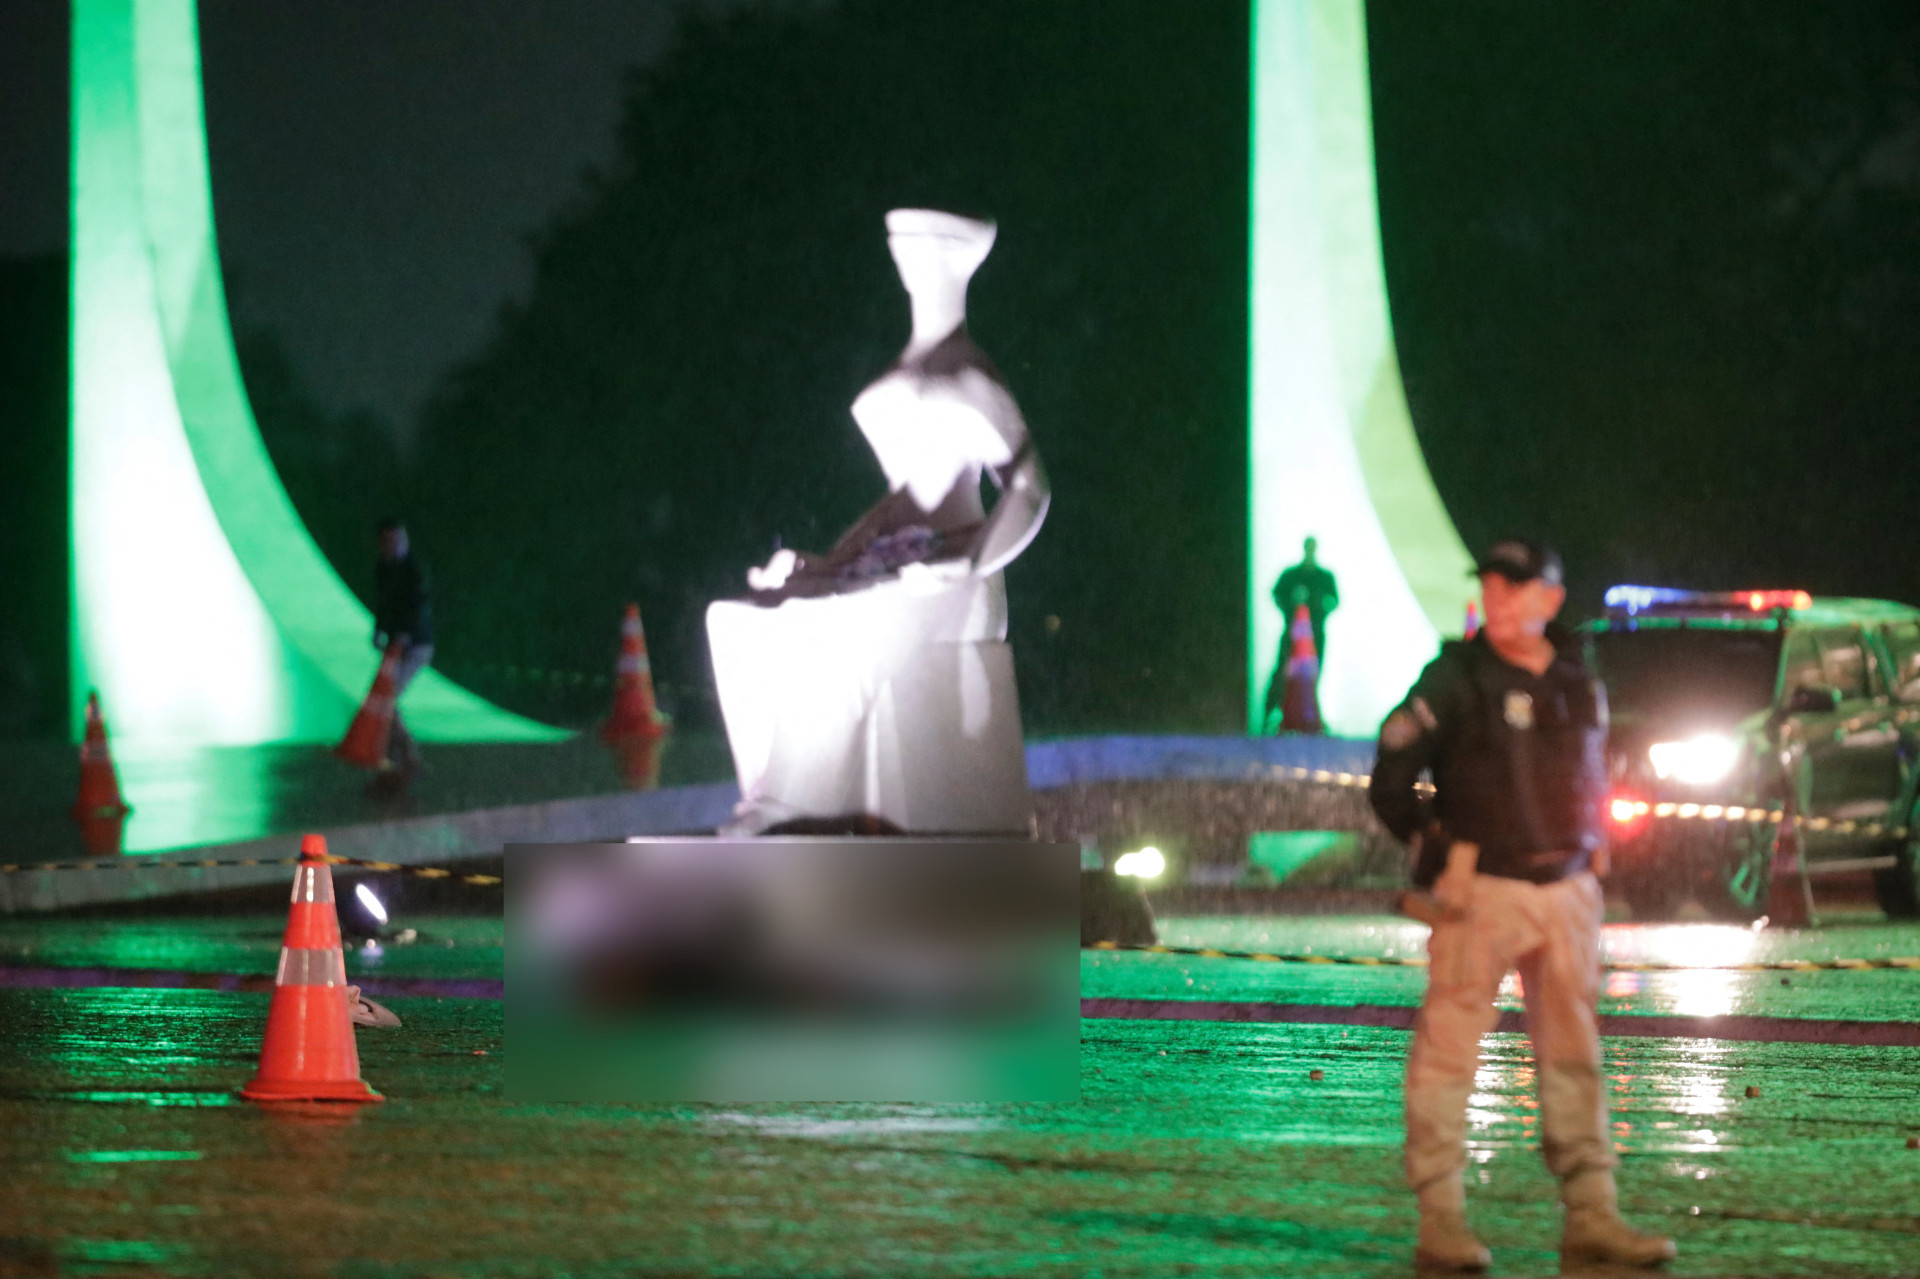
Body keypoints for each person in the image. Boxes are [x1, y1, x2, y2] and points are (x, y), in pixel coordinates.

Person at [1369, 539, 1676, 1273]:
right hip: (1485, 890)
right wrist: (1433, 841)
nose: (1501, 600)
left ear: (1550, 598)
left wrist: (1596, 842)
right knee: (1449, 1055)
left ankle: (1593, 1213)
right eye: (1493, 586)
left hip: (1570, 888)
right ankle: (1441, 1219)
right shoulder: (1456, 676)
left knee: (1576, 1055)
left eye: (1517, 587)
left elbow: (1596, 770)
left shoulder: (1577, 676)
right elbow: (1393, 770)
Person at [705, 208, 1048, 835]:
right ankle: (773, 795)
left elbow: (1030, 488)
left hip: (953, 576)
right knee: (738, 622)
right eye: (902, 250)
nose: (907, 261)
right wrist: (822, 564)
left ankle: (792, 809)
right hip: (893, 562)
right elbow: (897, 503)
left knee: (838, 630)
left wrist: (966, 563)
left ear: (955, 261)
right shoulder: (899, 373)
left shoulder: (972, 377)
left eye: (921, 249)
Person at [372, 518, 434, 774]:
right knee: (386, 700)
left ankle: (406, 755)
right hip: (398, 646)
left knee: (388, 699)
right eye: (388, 541)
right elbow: (383, 604)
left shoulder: (413, 571)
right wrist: (379, 631)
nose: (393, 546)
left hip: (416, 646)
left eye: (397, 540)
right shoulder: (384, 569)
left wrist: (406, 634)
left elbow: (418, 606)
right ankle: (398, 756)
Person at [1263, 537, 1338, 731]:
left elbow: (1334, 600)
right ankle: (1274, 713)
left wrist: (1323, 607)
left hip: (1315, 636)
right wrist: (1290, 605)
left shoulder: (1324, 576)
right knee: (1283, 672)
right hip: (1292, 635)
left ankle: (1309, 716)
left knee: (1313, 674)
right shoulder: (1291, 575)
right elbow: (1277, 595)